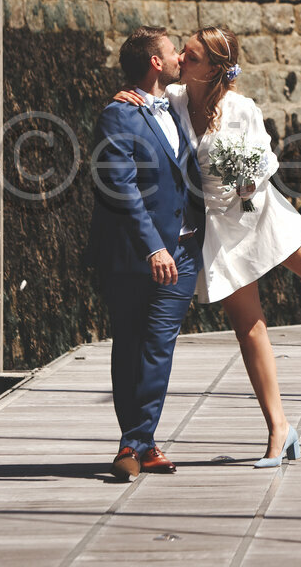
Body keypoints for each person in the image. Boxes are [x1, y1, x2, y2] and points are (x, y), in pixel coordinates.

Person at [115, 25, 301, 468]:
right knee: (249, 327)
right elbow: (146, 103)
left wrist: (246, 182)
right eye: (181, 52)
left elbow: (262, 161)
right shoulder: (176, 101)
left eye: (192, 56)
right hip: (220, 231)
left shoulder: (242, 109)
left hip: (259, 213)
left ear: (214, 68)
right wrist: (125, 94)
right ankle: (280, 429)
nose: (182, 59)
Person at [86, 26, 206, 481]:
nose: (180, 57)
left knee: (158, 346)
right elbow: (120, 187)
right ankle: (143, 443)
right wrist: (153, 245)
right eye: (174, 51)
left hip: (185, 249)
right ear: (156, 62)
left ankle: (132, 444)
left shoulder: (177, 105)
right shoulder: (118, 115)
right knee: (130, 345)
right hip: (134, 253)